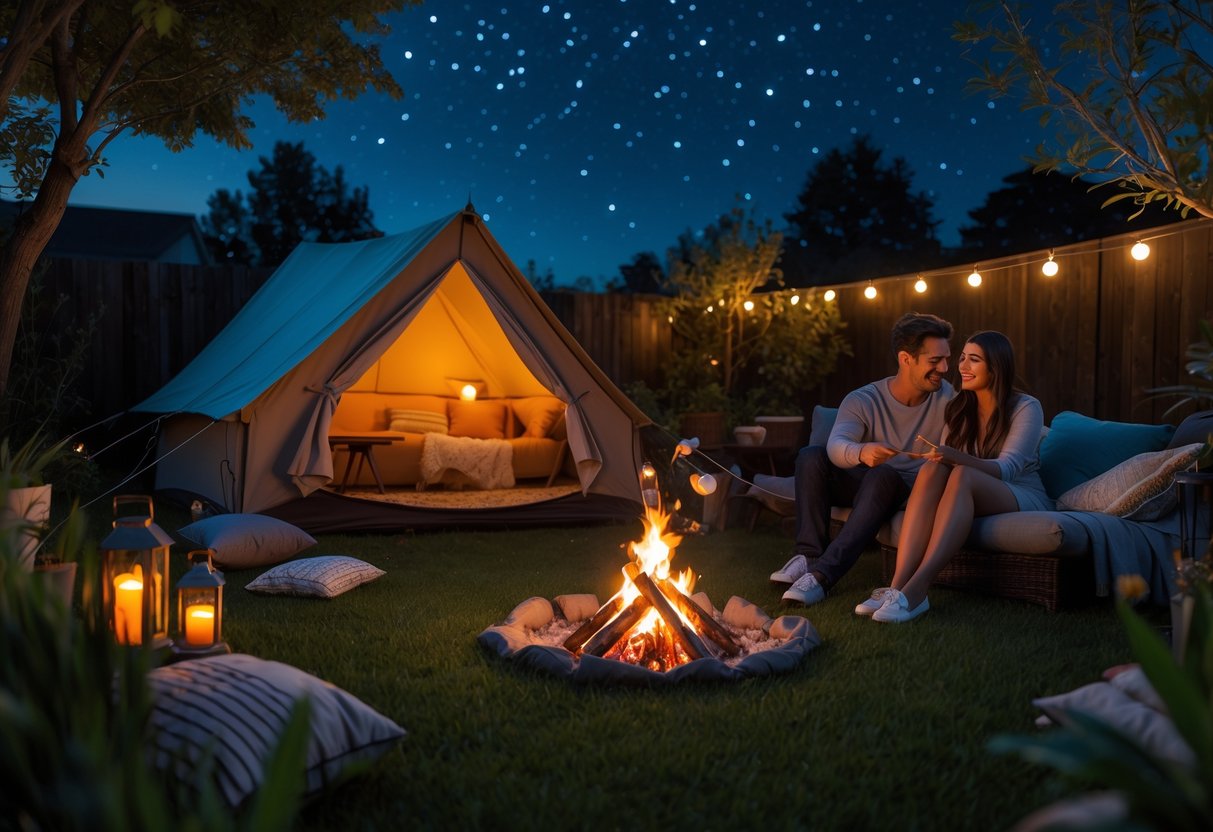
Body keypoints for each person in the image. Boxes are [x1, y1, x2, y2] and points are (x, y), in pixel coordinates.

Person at [863, 330, 1052, 623]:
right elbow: (946, 463)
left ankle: (918, 589)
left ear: (996, 367)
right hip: (975, 487)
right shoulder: (959, 408)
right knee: (933, 467)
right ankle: (897, 586)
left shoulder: (1026, 407)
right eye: (962, 358)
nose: (961, 366)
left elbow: (1008, 469)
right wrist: (943, 457)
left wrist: (955, 456)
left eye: (973, 360)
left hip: (1021, 492)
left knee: (961, 472)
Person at [774, 312, 955, 606]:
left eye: (947, 358)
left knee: (884, 475)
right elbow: (836, 445)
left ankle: (821, 577)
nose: (945, 368)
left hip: (910, 489)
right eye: (935, 361)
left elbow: (948, 455)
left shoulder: (949, 401)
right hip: (868, 482)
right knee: (811, 456)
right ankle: (808, 557)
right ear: (905, 359)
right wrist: (862, 451)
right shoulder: (864, 399)